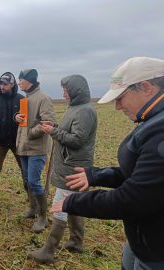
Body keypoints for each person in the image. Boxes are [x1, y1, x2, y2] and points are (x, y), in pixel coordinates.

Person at [52, 57, 164, 269]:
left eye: (121, 98)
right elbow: (138, 175)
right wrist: (95, 175)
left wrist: (73, 203)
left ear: (147, 88)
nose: (117, 106)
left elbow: (132, 199)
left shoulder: (160, 131)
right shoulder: (151, 121)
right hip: (144, 238)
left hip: (157, 250)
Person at [28, 74, 97, 264]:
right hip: (71, 164)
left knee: (61, 206)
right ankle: (76, 241)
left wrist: (53, 131)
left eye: (66, 89)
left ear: (76, 90)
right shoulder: (75, 108)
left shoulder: (84, 111)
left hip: (73, 167)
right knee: (74, 203)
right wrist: (56, 126)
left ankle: (48, 251)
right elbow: (70, 132)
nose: (64, 93)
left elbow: (77, 140)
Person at [15, 68, 56, 233]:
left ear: (29, 81)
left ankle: (42, 217)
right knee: (27, 180)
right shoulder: (27, 98)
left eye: (21, 80)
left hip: (36, 148)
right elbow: (25, 118)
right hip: (24, 147)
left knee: (34, 182)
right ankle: (32, 209)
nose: (19, 83)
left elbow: (49, 122)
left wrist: (31, 133)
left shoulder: (43, 98)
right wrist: (16, 117)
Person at [0, 72, 27, 211]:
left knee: (25, 170)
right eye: (1, 83)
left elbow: (26, 120)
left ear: (12, 85)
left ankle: (32, 200)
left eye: (5, 84)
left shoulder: (22, 100)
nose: (2, 86)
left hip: (17, 142)